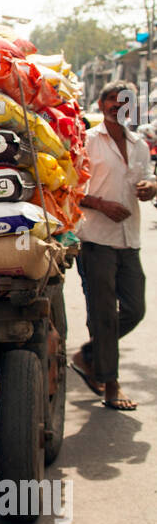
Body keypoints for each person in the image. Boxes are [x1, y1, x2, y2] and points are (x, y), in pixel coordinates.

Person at [72, 80, 157, 409]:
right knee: (104, 314)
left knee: (135, 310)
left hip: (129, 238)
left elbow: (147, 176)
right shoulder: (89, 140)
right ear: (102, 102)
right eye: (111, 100)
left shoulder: (137, 144)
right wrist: (101, 204)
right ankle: (110, 384)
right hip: (95, 238)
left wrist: (151, 187)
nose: (117, 106)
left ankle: (89, 355)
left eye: (125, 101)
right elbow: (70, 187)